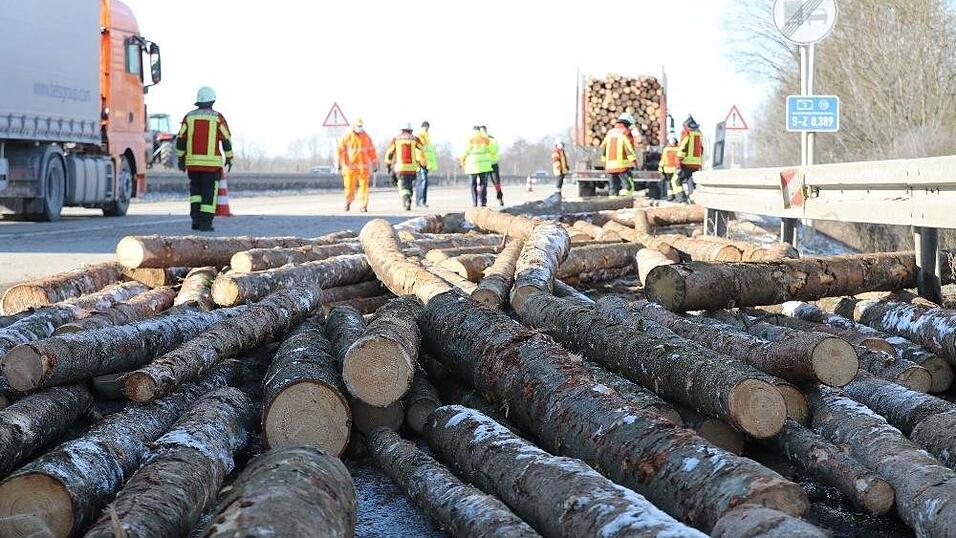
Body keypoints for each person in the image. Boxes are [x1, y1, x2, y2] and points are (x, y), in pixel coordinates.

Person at [176, 86, 233, 232]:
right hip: (211, 166)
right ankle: (206, 224)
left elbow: (180, 139)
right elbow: (226, 139)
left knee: (195, 193)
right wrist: (229, 157)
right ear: (213, 101)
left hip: (192, 164)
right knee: (209, 194)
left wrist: (181, 158)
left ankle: (195, 221)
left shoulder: (189, 117)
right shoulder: (217, 118)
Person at [337, 119, 378, 212]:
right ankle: (348, 202)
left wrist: (375, 164)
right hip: (349, 168)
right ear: (354, 126)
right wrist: (339, 162)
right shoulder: (347, 137)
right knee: (349, 187)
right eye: (358, 126)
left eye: (361, 126)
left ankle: (363, 206)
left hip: (363, 168)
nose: (360, 128)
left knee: (364, 188)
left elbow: (372, 152)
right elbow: (340, 150)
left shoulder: (367, 138)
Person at [384, 123, 425, 211]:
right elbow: (422, 151)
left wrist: (388, 165)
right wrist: (423, 164)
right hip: (412, 168)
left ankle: (406, 199)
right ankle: (409, 197)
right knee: (409, 184)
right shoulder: (415, 139)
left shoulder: (396, 139)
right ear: (411, 129)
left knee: (402, 185)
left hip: (400, 167)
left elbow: (390, 153)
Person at [600, 113, 636, 197]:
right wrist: (633, 161)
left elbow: (603, 147)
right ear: (628, 123)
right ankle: (626, 201)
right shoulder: (625, 132)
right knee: (628, 187)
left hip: (610, 166)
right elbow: (628, 147)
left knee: (613, 188)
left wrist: (604, 161)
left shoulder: (610, 132)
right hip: (622, 166)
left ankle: (613, 203)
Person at [460, 125, 493, 207]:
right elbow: (492, 150)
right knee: (483, 184)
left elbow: (465, 152)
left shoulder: (470, 140)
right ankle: (483, 202)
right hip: (484, 165)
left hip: (472, 165)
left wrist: (462, 162)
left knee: (473, 184)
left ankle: (474, 202)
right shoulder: (486, 140)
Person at [675, 115, 704, 203]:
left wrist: (678, 161)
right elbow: (701, 149)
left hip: (686, 163)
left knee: (676, 180)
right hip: (696, 164)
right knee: (690, 180)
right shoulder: (699, 134)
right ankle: (693, 199)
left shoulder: (687, 133)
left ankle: (681, 199)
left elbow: (682, 148)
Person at [479, 126, 504, 206]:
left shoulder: (488, 139)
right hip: (489, 163)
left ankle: (497, 198)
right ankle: (484, 200)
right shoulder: (488, 139)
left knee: (490, 182)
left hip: (489, 163)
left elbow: (494, 149)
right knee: (490, 183)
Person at [416, 121, 438, 207]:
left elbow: (429, 153)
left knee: (422, 182)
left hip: (425, 163)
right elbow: (419, 150)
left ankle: (421, 201)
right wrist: (421, 161)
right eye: (425, 127)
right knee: (423, 181)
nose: (427, 128)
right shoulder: (421, 136)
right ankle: (421, 201)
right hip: (421, 163)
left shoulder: (427, 137)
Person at [659, 137, 680, 201]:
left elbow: (663, 159)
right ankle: (677, 196)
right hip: (676, 169)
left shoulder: (666, 149)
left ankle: (670, 197)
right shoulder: (678, 149)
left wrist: (660, 167)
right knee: (676, 183)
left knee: (669, 182)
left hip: (667, 169)